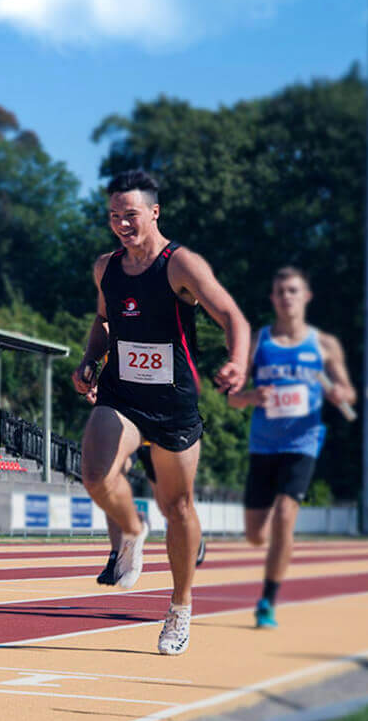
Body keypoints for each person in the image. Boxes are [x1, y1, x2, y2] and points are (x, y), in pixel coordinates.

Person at [72, 169, 249, 656]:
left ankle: (180, 608)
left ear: (154, 212)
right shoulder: (105, 267)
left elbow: (232, 315)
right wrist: (90, 360)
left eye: (130, 215)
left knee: (179, 509)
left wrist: (237, 361)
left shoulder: (180, 264)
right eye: (113, 217)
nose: (121, 224)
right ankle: (131, 528)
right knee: (95, 473)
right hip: (122, 397)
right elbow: (103, 322)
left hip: (172, 405)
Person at [227, 266, 355, 629]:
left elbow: (347, 394)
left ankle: (267, 600)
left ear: (306, 296)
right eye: (280, 291)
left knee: (286, 515)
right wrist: (252, 396)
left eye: (293, 291)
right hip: (263, 445)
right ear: (273, 299)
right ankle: (272, 546)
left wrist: (339, 393)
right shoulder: (259, 342)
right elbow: (233, 400)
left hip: (303, 441)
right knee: (255, 536)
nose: (286, 297)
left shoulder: (325, 345)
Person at [96, 444, 206, 585]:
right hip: (133, 434)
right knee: (110, 479)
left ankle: (192, 536)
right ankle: (115, 558)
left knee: (174, 504)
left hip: (162, 438)